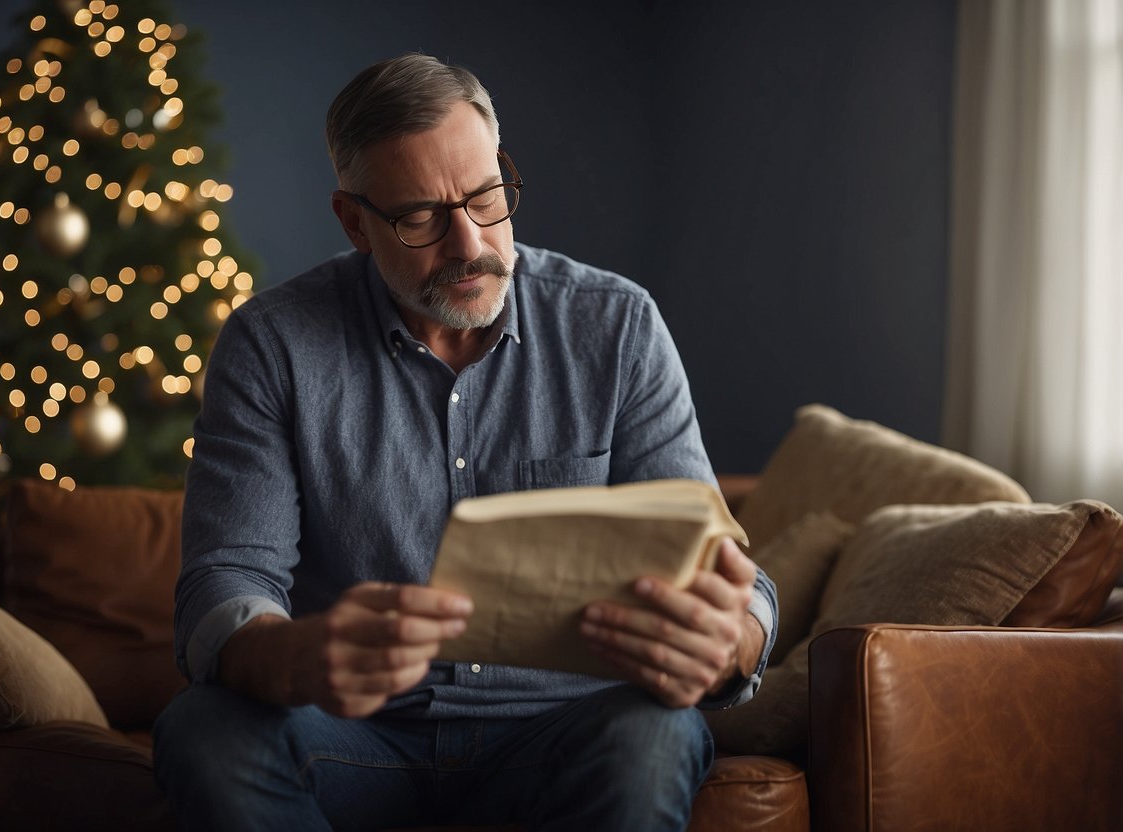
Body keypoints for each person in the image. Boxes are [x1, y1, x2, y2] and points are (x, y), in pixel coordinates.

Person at [152, 53, 778, 832]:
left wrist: (731, 642)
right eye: (419, 216)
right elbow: (224, 583)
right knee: (203, 730)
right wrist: (293, 655)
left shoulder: (615, 325)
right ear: (353, 221)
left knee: (655, 735)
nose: (468, 243)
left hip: (567, 738)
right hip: (354, 737)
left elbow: (729, 573)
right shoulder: (270, 344)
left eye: (486, 197)